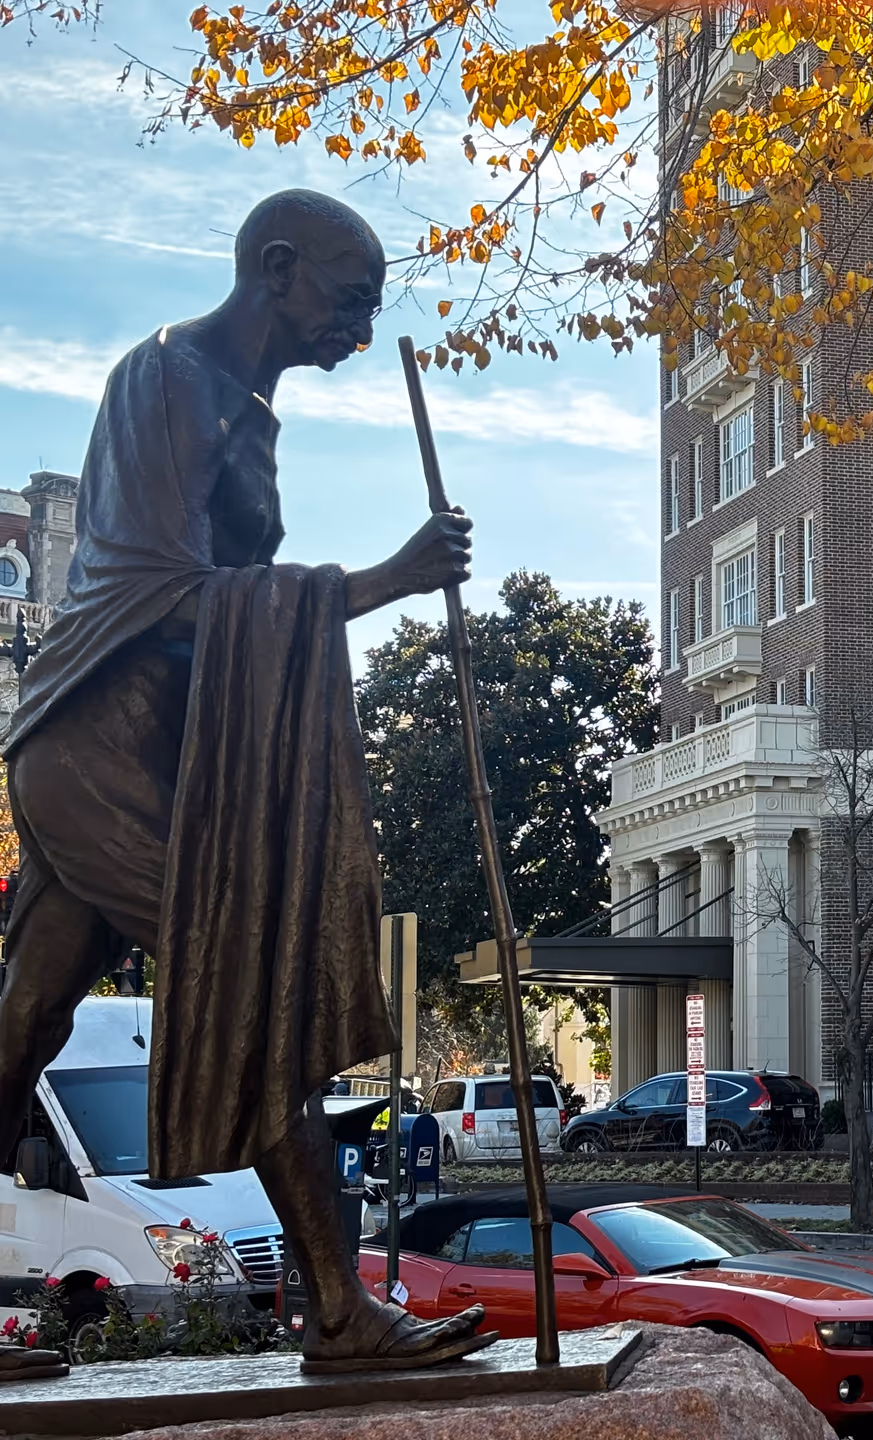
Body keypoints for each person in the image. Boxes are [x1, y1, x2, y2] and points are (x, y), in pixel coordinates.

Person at [0, 190, 492, 1377]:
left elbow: (229, 615)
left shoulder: (253, 410)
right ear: (277, 269)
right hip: (93, 744)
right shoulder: (166, 378)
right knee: (253, 982)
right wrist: (380, 580)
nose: (360, 334)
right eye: (349, 301)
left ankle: (336, 1313)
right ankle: (338, 1310)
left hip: (158, 757)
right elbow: (157, 588)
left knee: (24, 1024)